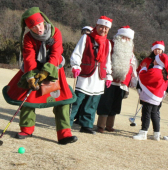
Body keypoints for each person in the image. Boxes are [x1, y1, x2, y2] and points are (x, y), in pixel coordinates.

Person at [2, 7, 77, 145]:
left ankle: (64, 134)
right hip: (34, 69)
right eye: (34, 27)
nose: (38, 28)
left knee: (62, 102)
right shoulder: (28, 37)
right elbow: (29, 57)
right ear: (29, 28)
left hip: (54, 69)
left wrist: (46, 71)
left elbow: (56, 53)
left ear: (43, 21)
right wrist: (30, 77)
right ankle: (26, 129)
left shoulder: (56, 32)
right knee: (27, 99)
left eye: (39, 24)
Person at [69, 16, 113, 134]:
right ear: (97, 26)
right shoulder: (86, 38)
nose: (103, 30)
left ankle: (86, 125)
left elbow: (108, 61)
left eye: (106, 28)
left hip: (99, 76)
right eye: (101, 27)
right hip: (86, 73)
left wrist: (109, 75)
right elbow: (77, 53)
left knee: (93, 102)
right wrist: (76, 66)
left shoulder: (108, 43)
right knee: (77, 100)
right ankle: (66, 122)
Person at [96, 26, 138, 133]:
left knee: (116, 103)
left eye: (128, 38)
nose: (126, 40)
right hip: (109, 78)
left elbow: (132, 64)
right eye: (124, 37)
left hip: (123, 81)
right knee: (105, 101)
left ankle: (110, 125)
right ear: (119, 36)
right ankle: (101, 125)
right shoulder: (110, 44)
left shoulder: (130, 49)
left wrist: (134, 77)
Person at [133, 53, 168, 141]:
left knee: (146, 114)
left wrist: (143, 68)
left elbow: (143, 76)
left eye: (155, 60)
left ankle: (143, 132)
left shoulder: (155, 71)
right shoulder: (164, 73)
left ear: (157, 62)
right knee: (154, 115)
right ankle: (156, 134)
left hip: (149, 97)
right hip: (157, 97)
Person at [73, 26, 93, 125]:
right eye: (84, 31)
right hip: (81, 72)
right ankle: (74, 115)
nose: (85, 33)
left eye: (88, 31)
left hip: (90, 73)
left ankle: (81, 117)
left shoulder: (92, 43)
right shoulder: (81, 42)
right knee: (78, 97)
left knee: (87, 98)